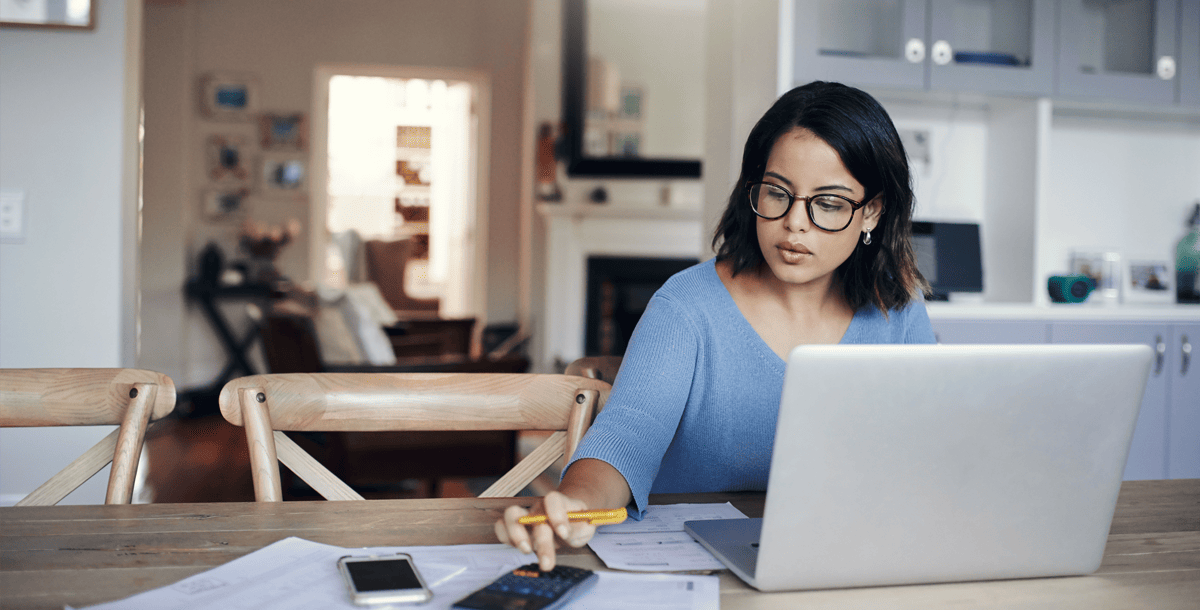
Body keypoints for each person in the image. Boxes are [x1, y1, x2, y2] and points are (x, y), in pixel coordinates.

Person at [496, 81, 936, 569]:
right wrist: (576, 504)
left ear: (871, 211)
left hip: (843, 562)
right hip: (692, 570)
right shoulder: (685, 307)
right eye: (777, 193)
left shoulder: (899, 309)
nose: (795, 223)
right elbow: (626, 437)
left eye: (829, 203)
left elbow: (929, 454)